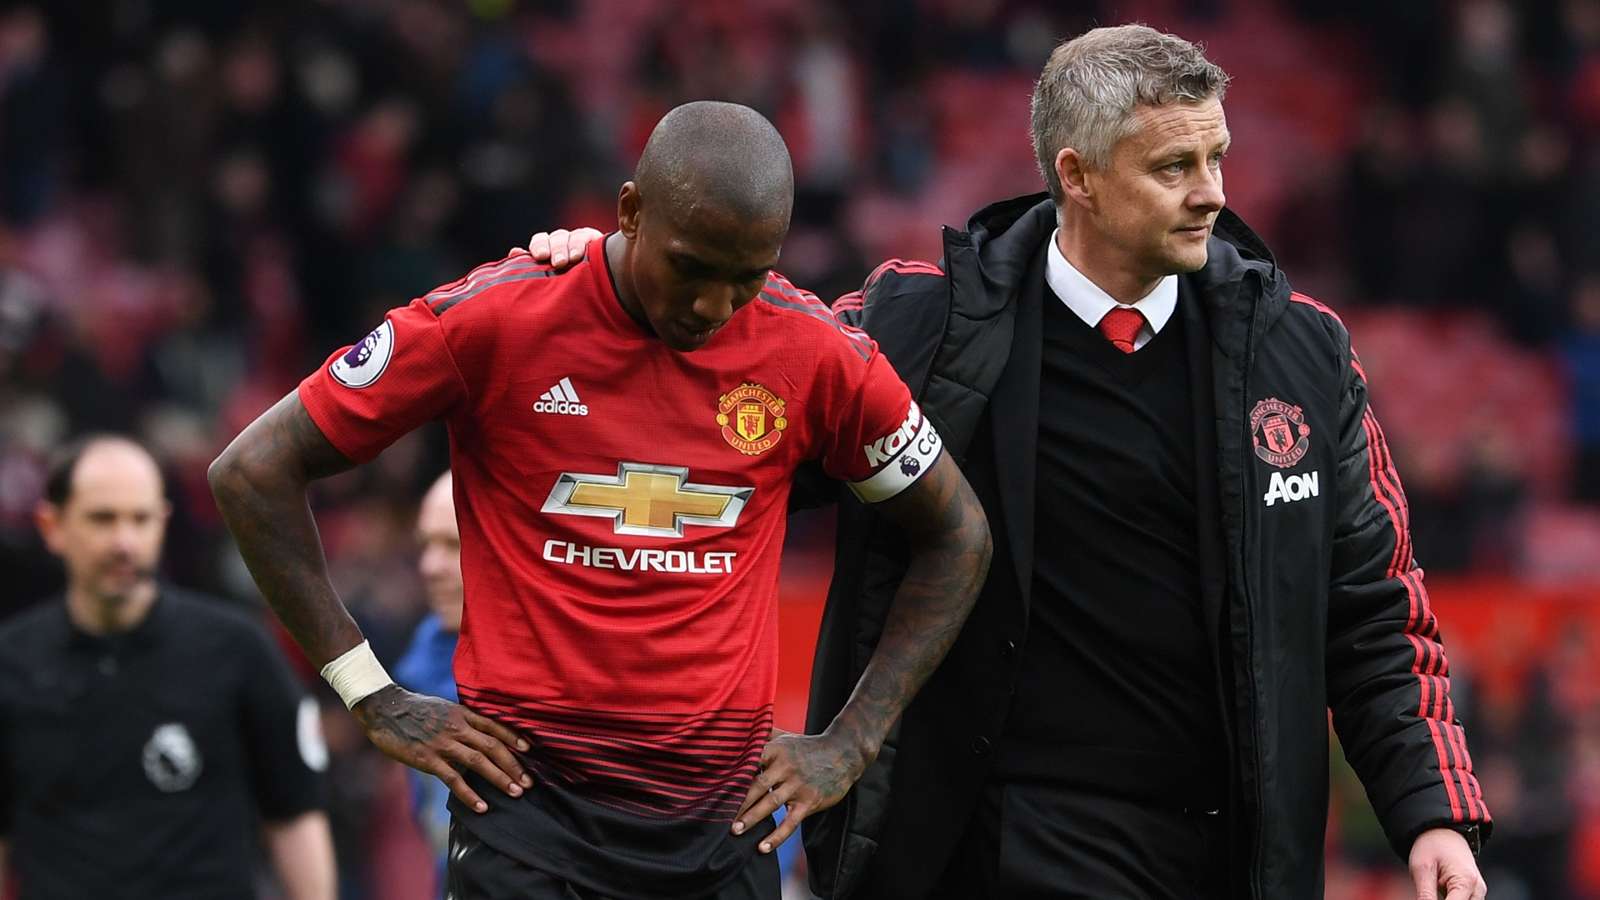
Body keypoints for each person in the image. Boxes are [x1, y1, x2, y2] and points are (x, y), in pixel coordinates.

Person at [524, 25, 1491, 900]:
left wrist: (1433, 814)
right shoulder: (919, 329)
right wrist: (604, 276)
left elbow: (1376, 613)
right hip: (985, 847)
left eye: (1216, 157)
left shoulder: (1300, 355)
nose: (1213, 193)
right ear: (1078, 176)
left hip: (1219, 852)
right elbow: (727, 372)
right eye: (1174, 166)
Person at [208, 101, 991, 900]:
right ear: (630, 212)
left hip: (723, 837)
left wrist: (853, 740)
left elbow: (959, 536)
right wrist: (369, 694)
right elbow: (252, 471)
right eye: (690, 267)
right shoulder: (497, 320)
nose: (713, 306)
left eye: (747, 277)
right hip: (528, 823)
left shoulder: (817, 356)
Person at [0, 435, 336, 900]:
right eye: (102, 519)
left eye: (140, 519)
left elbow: (295, 814)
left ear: (163, 522)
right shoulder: (11, 665)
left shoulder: (238, 651)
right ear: (52, 526)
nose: (124, 542)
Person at [394, 470, 465, 896]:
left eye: (453, 545)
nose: (430, 567)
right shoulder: (420, 663)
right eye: (426, 545)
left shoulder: (564, 675)